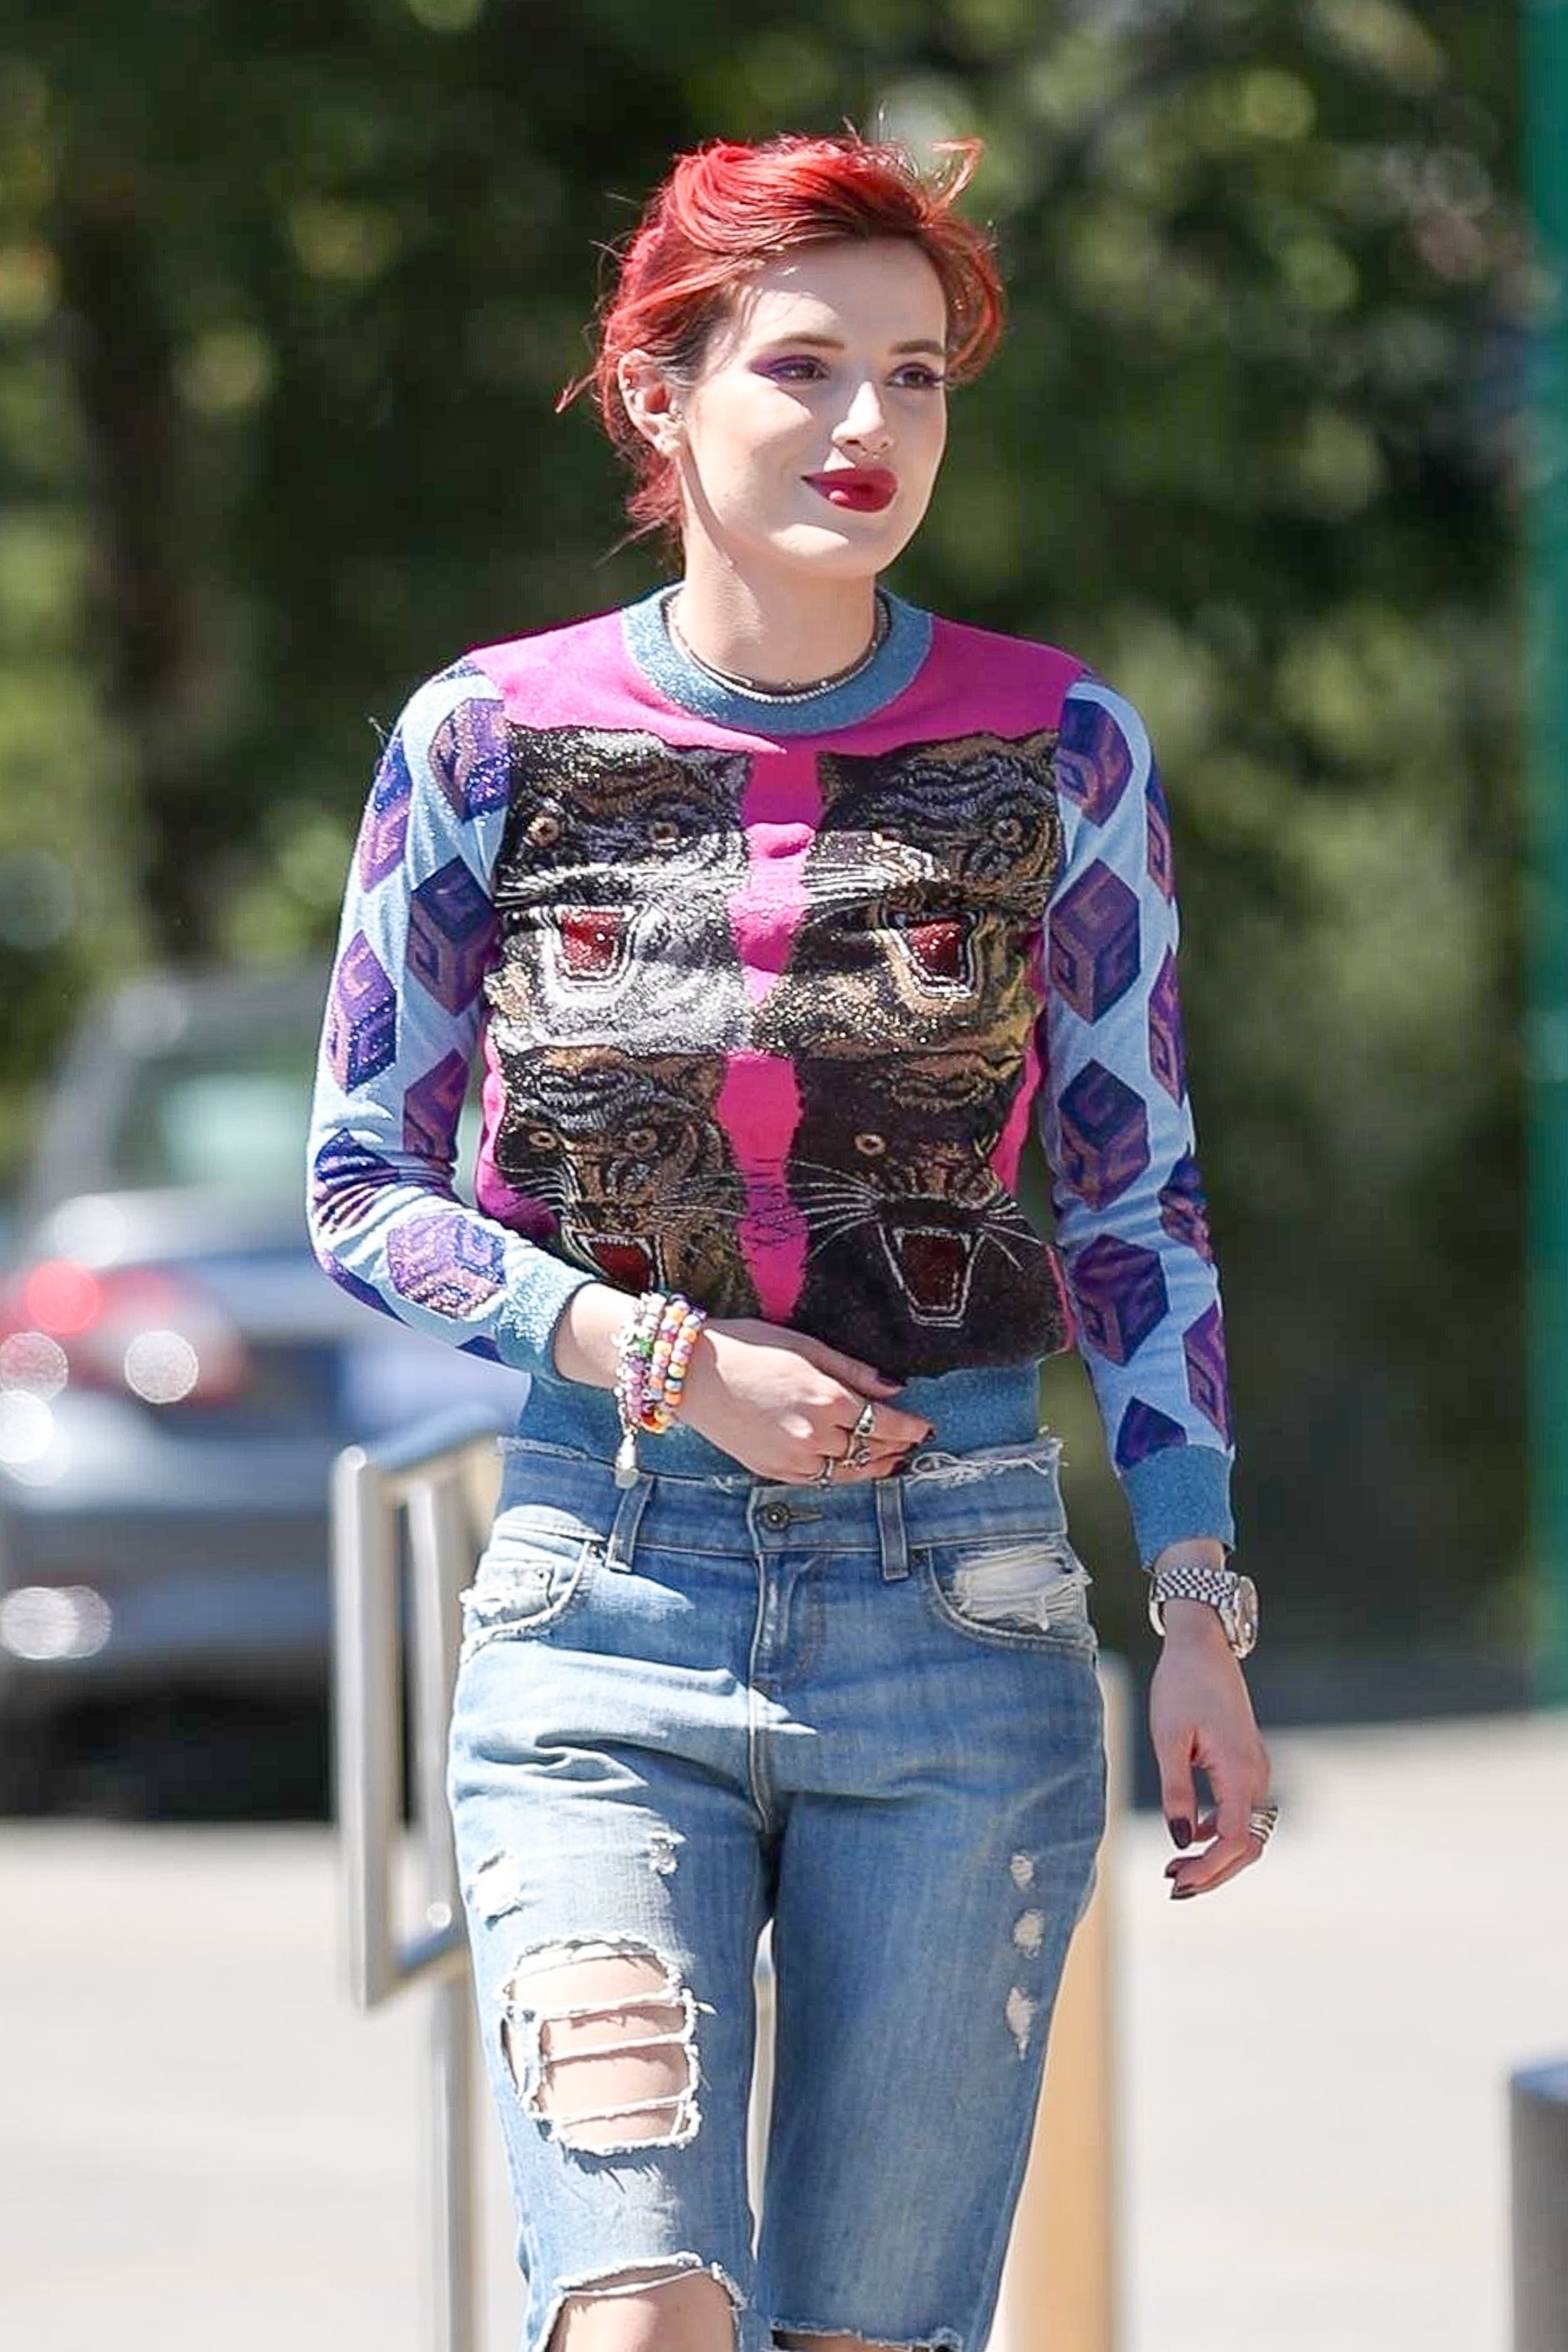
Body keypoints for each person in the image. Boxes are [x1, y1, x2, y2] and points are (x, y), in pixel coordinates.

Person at [307, 129, 1272, 2352]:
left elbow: (1135, 1196)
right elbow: (362, 1186)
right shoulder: (489, 737)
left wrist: (1200, 1602)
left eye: (917, 377)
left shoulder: (1063, 744)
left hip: (964, 1599)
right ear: (660, 392)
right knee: (639, 2304)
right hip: (599, 1600)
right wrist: (654, 1355)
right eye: (806, 365)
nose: (870, 426)